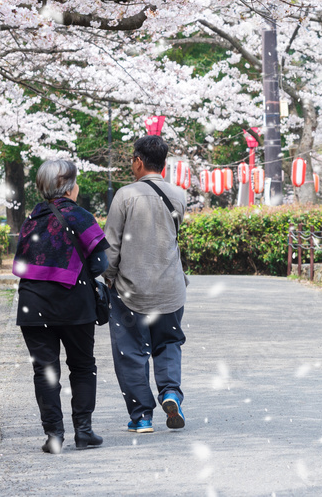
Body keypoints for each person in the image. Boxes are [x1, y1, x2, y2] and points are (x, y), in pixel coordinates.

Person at [12, 159, 109, 454]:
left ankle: (54, 436)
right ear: (69, 187)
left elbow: (23, 263)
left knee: (45, 371)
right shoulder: (81, 217)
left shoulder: (31, 220)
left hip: (33, 304)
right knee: (81, 366)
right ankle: (84, 431)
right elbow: (100, 263)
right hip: (74, 303)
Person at [103, 135, 188, 433]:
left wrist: (109, 277)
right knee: (168, 343)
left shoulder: (125, 196)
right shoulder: (178, 195)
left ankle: (142, 417)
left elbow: (111, 244)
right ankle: (170, 393)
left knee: (131, 351)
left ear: (139, 161)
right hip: (170, 288)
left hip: (131, 289)